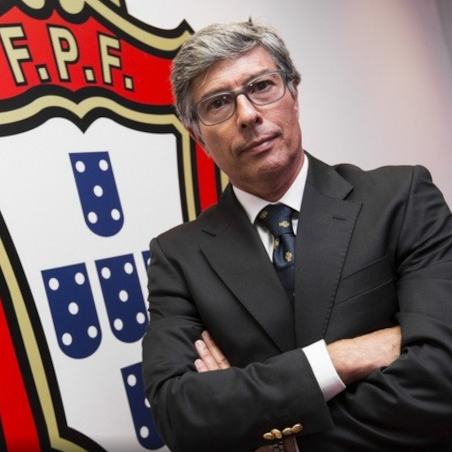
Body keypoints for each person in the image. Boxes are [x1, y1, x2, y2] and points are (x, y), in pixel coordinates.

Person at [142, 20, 452, 452]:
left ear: (294, 95)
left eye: (261, 87)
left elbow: (440, 377)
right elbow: (180, 417)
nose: (248, 115)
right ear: (198, 136)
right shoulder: (178, 257)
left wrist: (278, 441)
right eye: (218, 103)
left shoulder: (402, 198)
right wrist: (341, 358)